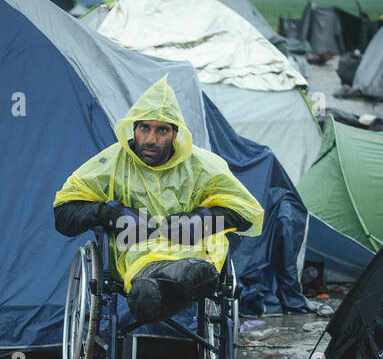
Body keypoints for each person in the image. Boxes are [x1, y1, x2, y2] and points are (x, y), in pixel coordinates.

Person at [54, 76, 263, 323]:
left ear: (176, 135)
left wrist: (202, 219)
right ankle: (166, 282)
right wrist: (111, 213)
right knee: (169, 278)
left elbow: (245, 212)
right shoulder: (110, 164)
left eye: (162, 130)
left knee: (185, 273)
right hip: (136, 258)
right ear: (133, 129)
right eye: (145, 128)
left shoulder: (203, 166)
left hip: (193, 251)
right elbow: (65, 212)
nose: (151, 139)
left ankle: (163, 285)